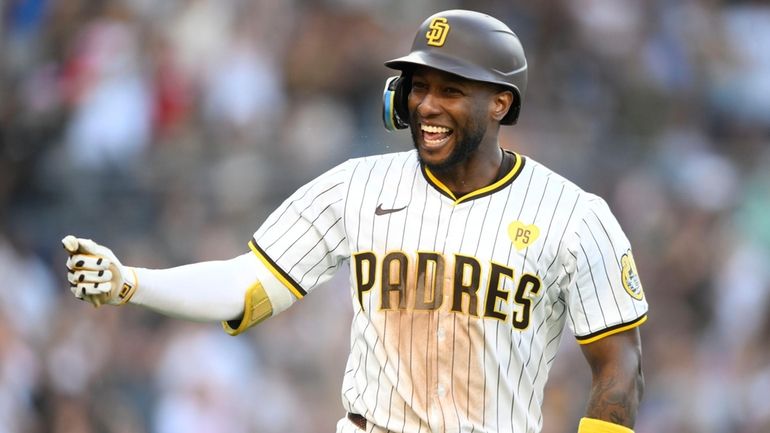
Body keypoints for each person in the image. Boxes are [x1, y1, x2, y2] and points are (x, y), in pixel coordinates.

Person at [63, 9, 647, 433]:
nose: (425, 105)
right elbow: (247, 284)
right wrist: (132, 283)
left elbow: (618, 366)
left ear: (499, 102)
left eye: (450, 89)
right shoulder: (358, 185)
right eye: (418, 86)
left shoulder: (574, 216)